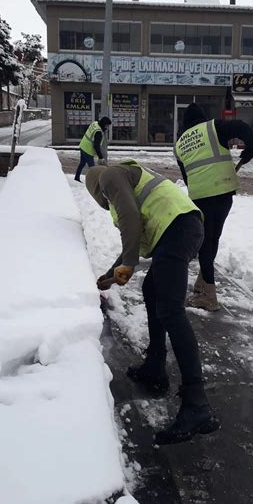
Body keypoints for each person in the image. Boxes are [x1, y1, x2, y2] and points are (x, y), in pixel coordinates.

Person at [85, 161, 219, 445]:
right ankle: (156, 367)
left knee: (171, 311)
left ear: (97, 190)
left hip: (178, 229)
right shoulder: (126, 179)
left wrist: (129, 263)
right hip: (182, 228)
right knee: (152, 289)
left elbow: (130, 218)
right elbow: (133, 236)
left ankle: (197, 404)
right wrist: (109, 277)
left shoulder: (109, 176)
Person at [175, 103, 253, 311]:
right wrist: (252, 147)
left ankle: (208, 295)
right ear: (202, 117)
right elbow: (242, 127)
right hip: (224, 192)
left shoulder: (179, 144)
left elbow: (186, 176)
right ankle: (204, 282)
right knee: (213, 238)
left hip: (200, 195)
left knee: (205, 242)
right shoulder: (213, 127)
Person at [74, 117, 112, 182]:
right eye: (107, 125)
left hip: (83, 145)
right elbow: (96, 146)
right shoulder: (98, 132)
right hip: (88, 150)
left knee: (82, 163)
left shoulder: (95, 123)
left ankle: (77, 177)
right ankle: (95, 183)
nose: (107, 127)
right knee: (93, 169)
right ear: (104, 124)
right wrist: (101, 157)